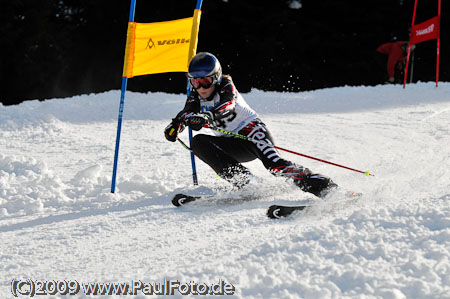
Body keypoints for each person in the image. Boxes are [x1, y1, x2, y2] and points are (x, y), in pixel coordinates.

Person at [164, 52, 336, 197]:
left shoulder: (225, 85)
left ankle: (326, 188)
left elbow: (227, 105)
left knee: (275, 165)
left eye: (205, 82)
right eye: (195, 82)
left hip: (253, 133)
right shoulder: (195, 96)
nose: (200, 87)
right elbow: (187, 112)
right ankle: (246, 182)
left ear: (215, 78)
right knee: (198, 142)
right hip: (232, 143)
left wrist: (208, 116)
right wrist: (176, 126)